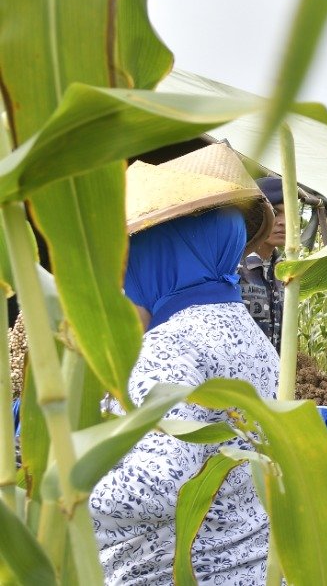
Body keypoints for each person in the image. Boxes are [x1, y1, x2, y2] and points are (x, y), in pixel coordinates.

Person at [89, 144, 279, 585]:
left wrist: (59, 488)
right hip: (245, 564)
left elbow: (158, 485)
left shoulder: (170, 345)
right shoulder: (246, 332)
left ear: (160, 249)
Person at [238, 175, 288, 351]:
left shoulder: (286, 272)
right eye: (275, 213)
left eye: (290, 214)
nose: (284, 222)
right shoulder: (234, 268)